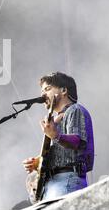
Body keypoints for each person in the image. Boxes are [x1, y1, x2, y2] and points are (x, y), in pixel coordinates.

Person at [22, 72, 94, 202]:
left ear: (64, 90)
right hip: (53, 183)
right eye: (42, 91)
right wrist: (39, 162)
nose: (43, 95)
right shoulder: (54, 121)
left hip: (67, 179)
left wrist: (55, 135)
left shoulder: (75, 110)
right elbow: (61, 151)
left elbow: (77, 141)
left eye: (47, 89)